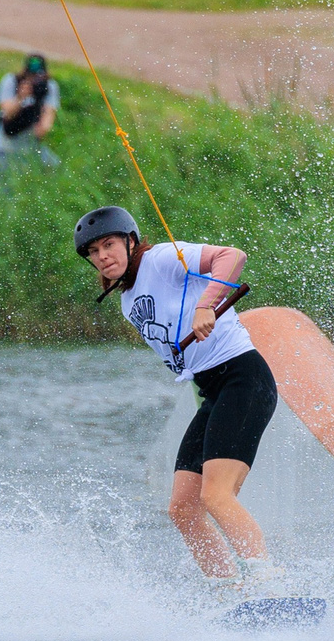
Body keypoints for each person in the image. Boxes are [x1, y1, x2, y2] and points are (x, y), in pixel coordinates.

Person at [73, 205, 280, 588]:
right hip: (213, 389)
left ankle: (269, 582)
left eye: (109, 244)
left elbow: (232, 257)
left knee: (216, 495)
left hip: (243, 377)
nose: (102, 256)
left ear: (131, 242)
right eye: (94, 252)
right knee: (183, 509)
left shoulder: (162, 259)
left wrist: (207, 305)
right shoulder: (125, 299)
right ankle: (229, 590)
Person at [0, 53, 61, 186]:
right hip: (6, 145)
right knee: (7, 187)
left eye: (38, 78)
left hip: (30, 145)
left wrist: (39, 104)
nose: (34, 81)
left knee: (54, 167)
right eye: (31, 77)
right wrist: (21, 97)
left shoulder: (49, 87)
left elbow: (46, 121)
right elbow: (6, 113)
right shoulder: (11, 81)